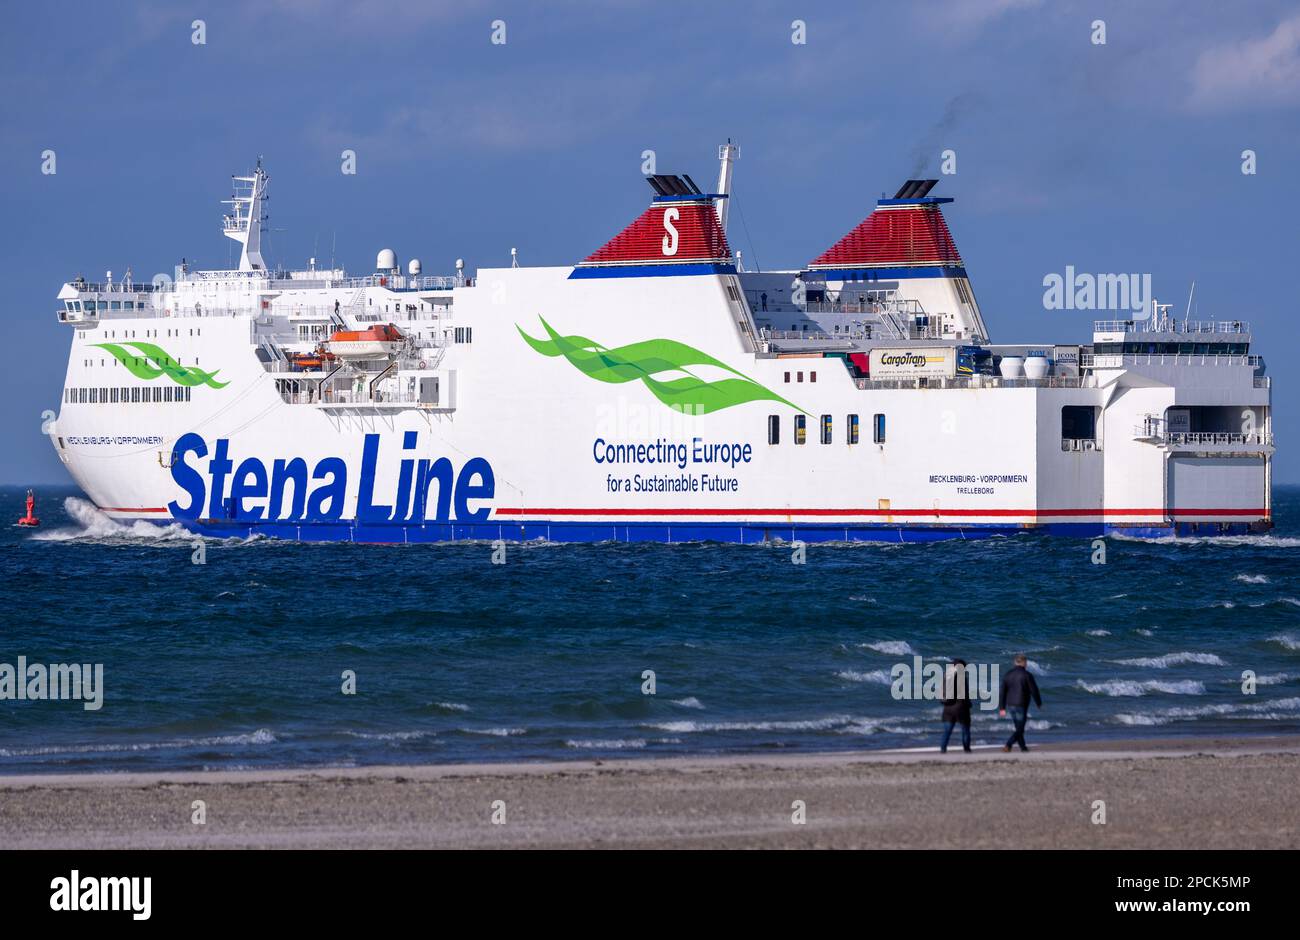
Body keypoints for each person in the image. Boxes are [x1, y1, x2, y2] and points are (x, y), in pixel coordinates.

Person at [999, 654, 1043, 752]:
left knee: (1018, 727)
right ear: (1024, 663)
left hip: (1010, 705)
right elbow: (1034, 690)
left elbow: (1002, 692)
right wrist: (1038, 703)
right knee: (1020, 729)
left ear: (1015, 662)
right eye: (1026, 663)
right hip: (1021, 704)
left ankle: (1023, 748)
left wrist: (1002, 707)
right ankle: (1008, 744)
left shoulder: (1008, 674)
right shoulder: (1027, 675)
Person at [940, 658, 972, 753]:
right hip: (961, 708)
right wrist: (969, 704)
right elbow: (964, 695)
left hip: (948, 708)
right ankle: (966, 749)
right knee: (965, 730)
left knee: (947, 731)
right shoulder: (961, 677)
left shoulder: (946, 677)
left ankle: (943, 749)